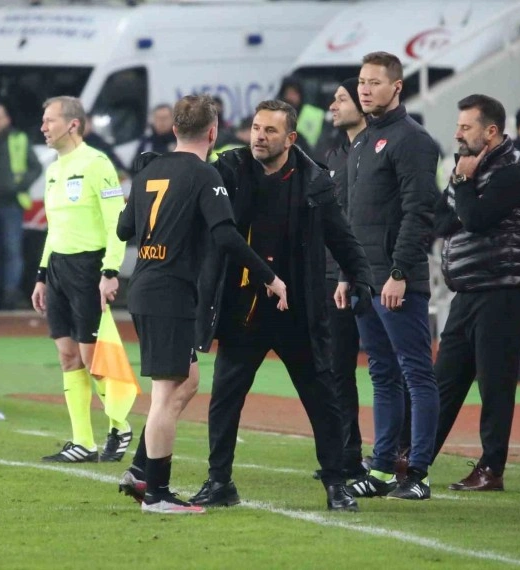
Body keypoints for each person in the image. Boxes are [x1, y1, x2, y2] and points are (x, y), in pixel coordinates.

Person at [185, 99, 373, 512]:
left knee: (321, 399)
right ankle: (219, 481)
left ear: (290, 138)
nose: (259, 136)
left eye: (270, 130)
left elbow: (341, 237)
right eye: (256, 128)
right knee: (225, 398)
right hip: (244, 309)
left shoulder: (314, 181)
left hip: (298, 311)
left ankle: (336, 484)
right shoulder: (229, 170)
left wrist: (362, 276)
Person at [116, 94, 287, 514]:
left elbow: (124, 229)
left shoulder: (149, 169)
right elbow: (226, 235)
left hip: (146, 287)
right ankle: (156, 494)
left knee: (187, 381)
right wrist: (269, 276)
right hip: (169, 293)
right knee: (164, 394)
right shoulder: (205, 174)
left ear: (175, 128)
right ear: (213, 132)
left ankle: (141, 471)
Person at [342, 51, 439, 500]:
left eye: (374, 82)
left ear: (397, 86)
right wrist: (347, 274)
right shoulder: (363, 140)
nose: (364, 90)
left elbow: (420, 213)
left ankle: (418, 473)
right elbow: (354, 217)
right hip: (366, 281)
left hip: (397, 280)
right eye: (361, 82)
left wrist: (399, 272)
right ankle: (382, 468)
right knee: (382, 374)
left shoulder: (412, 140)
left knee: (416, 373)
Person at [433, 94, 520, 491]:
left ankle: (492, 468)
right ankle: (415, 454)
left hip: (503, 290)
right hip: (469, 290)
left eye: (466, 127)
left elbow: (475, 219)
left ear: (490, 132)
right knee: (444, 380)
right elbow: (442, 221)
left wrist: (463, 183)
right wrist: (463, 186)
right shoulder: (468, 167)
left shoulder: (514, 172)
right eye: (458, 126)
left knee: (494, 384)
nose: (457, 134)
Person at [31, 96, 133, 464]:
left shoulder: (98, 164)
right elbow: (54, 228)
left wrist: (110, 271)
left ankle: (120, 425)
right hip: (59, 267)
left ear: (73, 124)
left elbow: (117, 222)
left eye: (50, 120)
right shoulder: (54, 169)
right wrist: (42, 274)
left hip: (88, 268)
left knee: (93, 358)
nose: (43, 127)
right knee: (67, 355)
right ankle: (83, 443)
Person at [317, 77, 367, 481]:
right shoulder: (333, 155)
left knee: (389, 369)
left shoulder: (373, 154)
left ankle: (396, 454)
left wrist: (348, 273)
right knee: (336, 368)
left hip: (364, 275)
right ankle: (347, 454)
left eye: (342, 99)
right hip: (332, 275)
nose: (333, 106)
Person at [0, 102, 42, 310]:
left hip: (11, 203)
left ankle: (10, 293)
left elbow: (35, 167)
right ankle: (0, 293)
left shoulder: (18, 139)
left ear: (7, 119)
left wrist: (18, 186)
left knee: (11, 250)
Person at [277, 76, 322, 155]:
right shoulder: (274, 116)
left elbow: (324, 145)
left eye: (294, 94)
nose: (290, 97)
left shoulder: (315, 115)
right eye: (287, 93)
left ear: (301, 96)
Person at [130, 104, 176, 173]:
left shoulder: (180, 139)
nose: (162, 122)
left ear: (172, 119)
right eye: (158, 118)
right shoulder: (147, 141)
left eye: (165, 118)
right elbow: (135, 166)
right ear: (153, 120)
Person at [83, 113, 128, 178]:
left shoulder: (97, 141)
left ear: (90, 123)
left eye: (84, 123)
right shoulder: (76, 143)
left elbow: (111, 157)